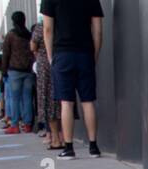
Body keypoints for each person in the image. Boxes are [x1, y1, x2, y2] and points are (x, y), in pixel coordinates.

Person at [41, 0, 103, 159]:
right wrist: (94, 55)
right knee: (88, 101)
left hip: (62, 54)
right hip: (85, 54)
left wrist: (50, 57)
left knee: (66, 102)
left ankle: (68, 148)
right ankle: (93, 146)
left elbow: (48, 29)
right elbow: (97, 31)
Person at [1, 11, 35, 134]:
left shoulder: (10, 35)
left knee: (15, 99)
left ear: (13, 21)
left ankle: (15, 124)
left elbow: (6, 54)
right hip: (28, 70)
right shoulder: (29, 35)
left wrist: (4, 70)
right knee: (27, 98)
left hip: (14, 70)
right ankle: (27, 125)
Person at [31, 17, 62, 148]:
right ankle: (65, 137)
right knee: (64, 101)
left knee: (49, 101)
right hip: (62, 60)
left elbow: (33, 45)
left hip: (45, 66)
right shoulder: (62, 23)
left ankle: (54, 138)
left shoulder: (41, 26)